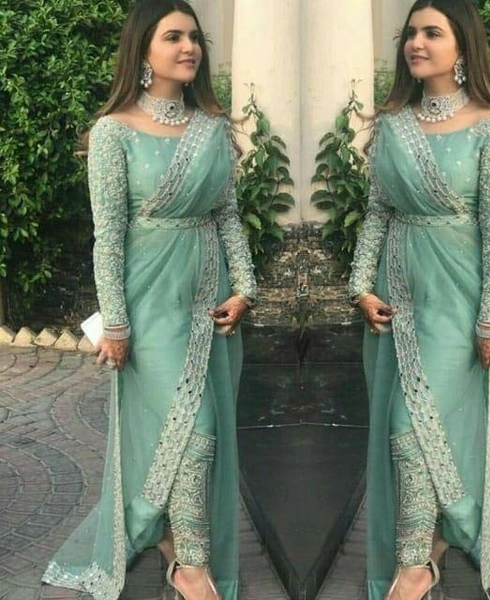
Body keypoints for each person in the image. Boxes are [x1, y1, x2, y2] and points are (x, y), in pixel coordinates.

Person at [42, 1, 256, 599]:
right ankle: (190, 565)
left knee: (197, 424)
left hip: (208, 299)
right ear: (142, 51)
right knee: (188, 428)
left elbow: (227, 216)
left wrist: (245, 288)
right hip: (148, 300)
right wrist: (115, 323)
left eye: (194, 37)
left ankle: (171, 537)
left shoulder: (214, 128)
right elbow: (108, 236)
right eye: (173, 37)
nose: (189, 48)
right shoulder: (113, 132)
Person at [349, 1, 490, 599]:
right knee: (413, 424)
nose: (416, 43)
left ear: (463, 47)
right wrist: (360, 285)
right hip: (397, 297)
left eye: (432, 33)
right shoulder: (392, 125)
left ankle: (416, 563)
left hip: (458, 300)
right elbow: (379, 212)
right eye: (411, 33)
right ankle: (434, 538)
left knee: (414, 427)